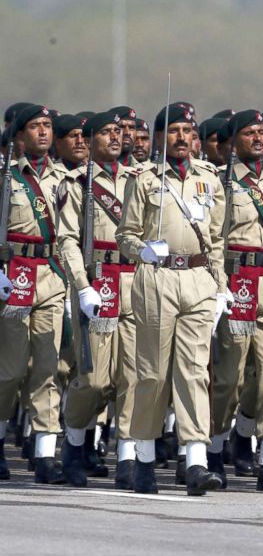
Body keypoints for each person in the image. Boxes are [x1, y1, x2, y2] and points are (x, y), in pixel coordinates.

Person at [116, 103, 227, 496]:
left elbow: (216, 239)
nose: (182, 138)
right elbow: (125, 234)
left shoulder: (210, 179)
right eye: (174, 131)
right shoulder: (145, 179)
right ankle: (144, 455)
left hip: (197, 277)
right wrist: (141, 249)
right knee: (154, 372)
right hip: (157, 276)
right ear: (161, 137)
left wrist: (221, 285)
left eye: (187, 131)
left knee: (195, 370)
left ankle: (195, 458)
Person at [57, 111, 141, 489]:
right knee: (92, 379)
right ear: (89, 140)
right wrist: (81, 284)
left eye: (120, 132)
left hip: (136, 283)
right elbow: (67, 240)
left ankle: (127, 457)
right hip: (99, 282)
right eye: (107, 132)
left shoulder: (142, 181)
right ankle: (73, 445)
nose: (116, 137)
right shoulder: (77, 183)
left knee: (132, 377)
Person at [207, 110, 263, 492]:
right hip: (237, 280)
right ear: (233, 140)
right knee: (229, 378)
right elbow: (213, 240)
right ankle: (214, 447)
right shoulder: (223, 183)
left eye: (261, 132)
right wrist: (218, 286)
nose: (258, 138)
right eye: (249, 133)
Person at [0, 104, 69, 483]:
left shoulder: (65, 178)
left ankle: (45, 452)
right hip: (13, 275)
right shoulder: (6, 176)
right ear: (19, 134)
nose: (43, 132)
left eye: (47, 126)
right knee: (10, 370)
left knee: (48, 366)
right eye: (35, 127)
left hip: (51, 275)